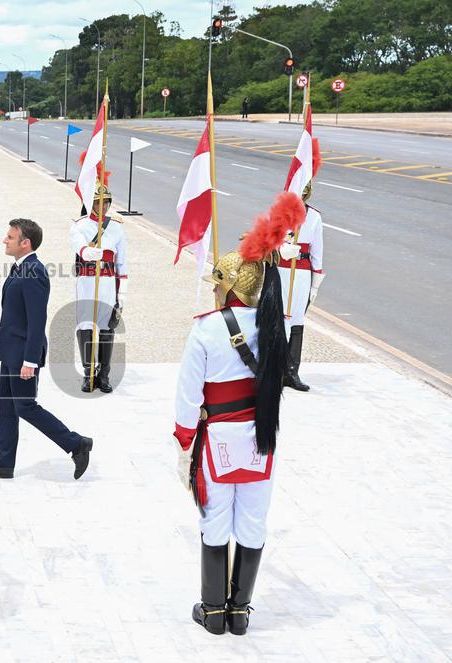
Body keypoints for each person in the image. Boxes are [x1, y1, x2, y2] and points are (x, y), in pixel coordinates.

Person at [172, 192, 302, 636]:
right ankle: (240, 611)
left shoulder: (208, 328)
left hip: (218, 442)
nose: (213, 289)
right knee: (252, 522)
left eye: (217, 284)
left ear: (229, 287)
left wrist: (184, 439)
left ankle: (212, 611)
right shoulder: (274, 327)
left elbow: (188, 395)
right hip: (260, 440)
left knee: (214, 520)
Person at [0, 219, 93, 481]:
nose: (5, 240)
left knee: (25, 407)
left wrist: (30, 360)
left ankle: (76, 444)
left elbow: (37, 320)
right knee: (6, 408)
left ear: (25, 243)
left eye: (10, 237)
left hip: (23, 355)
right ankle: (3, 463)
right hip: (11, 352)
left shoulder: (34, 271)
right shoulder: (20, 268)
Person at [69, 174, 128, 393]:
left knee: (106, 327)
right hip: (86, 281)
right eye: (97, 202)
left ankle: (104, 375)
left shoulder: (117, 227)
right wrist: (87, 251)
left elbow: (123, 263)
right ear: (89, 203)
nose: (102, 206)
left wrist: (123, 293)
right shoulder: (80, 226)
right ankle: (88, 373)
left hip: (107, 283)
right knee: (85, 326)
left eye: (106, 202)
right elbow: (79, 246)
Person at [278, 139, 325, 392]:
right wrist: (280, 248)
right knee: (277, 319)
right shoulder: (280, 214)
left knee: (297, 321)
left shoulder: (315, 217)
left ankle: (291, 372)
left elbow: (318, 253)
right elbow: (266, 242)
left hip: (302, 274)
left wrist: (315, 285)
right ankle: (273, 370)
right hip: (282, 272)